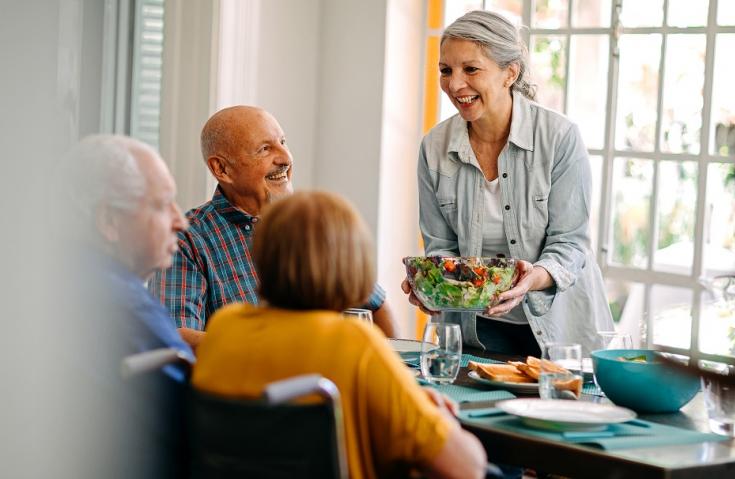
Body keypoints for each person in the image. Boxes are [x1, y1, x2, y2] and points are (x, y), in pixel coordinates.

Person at [192, 191, 487, 479]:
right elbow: (466, 468)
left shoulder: (224, 328)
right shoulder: (353, 343)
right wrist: (439, 417)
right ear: (353, 264)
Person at [403, 10, 614, 357]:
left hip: (560, 329)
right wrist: (433, 284)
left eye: (471, 69)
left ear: (509, 73)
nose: (455, 84)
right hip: (476, 330)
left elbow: (570, 244)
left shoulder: (559, 139)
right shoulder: (433, 148)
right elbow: (440, 246)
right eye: (446, 70)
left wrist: (531, 279)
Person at [150, 106, 398, 349]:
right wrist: (280, 347)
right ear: (221, 169)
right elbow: (173, 337)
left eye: (283, 142)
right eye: (265, 149)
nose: (285, 158)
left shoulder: (310, 223)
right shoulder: (186, 239)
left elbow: (375, 304)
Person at [56, 135, 194, 478]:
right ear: (109, 222)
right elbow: (200, 425)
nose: (181, 222)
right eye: (163, 206)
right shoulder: (126, 309)